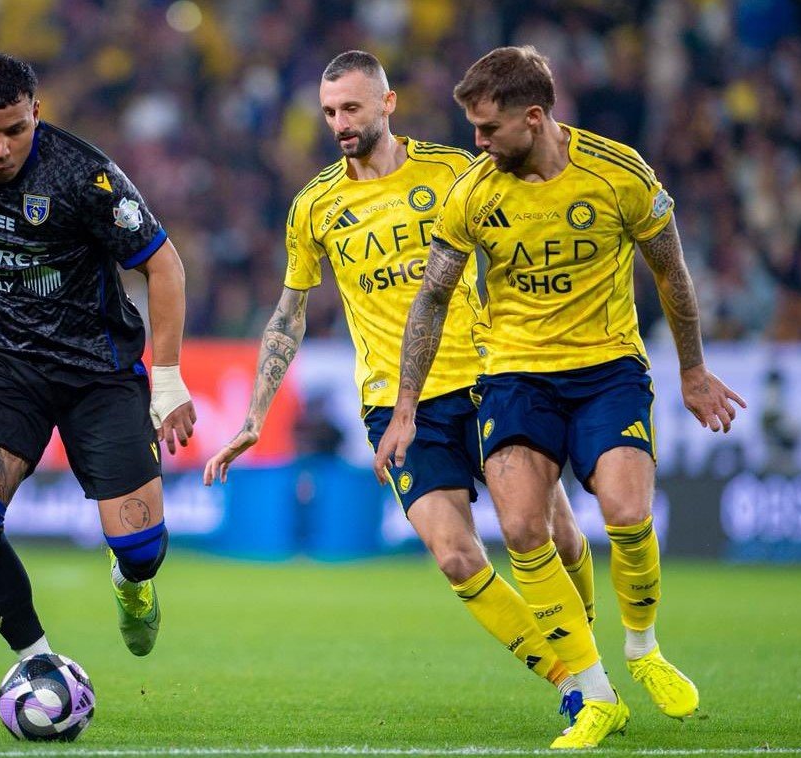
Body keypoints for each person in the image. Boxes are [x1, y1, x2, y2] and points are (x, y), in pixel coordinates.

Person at [203, 51, 595, 724]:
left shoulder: (454, 171)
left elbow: (527, 238)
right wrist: (253, 417)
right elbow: (288, 315)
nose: (339, 123)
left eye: (351, 108)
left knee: (553, 536)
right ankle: (576, 683)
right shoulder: (315, 204)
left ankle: (588, 650)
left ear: (387, 104)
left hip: (489, 380)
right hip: (394, 405)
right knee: (456, 558)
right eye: (329, 112)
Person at [374, 46, 746, 749]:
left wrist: (693, 371)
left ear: (534, 117)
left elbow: (670, 271)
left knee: (626, 512)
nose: (477, 143)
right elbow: (431, 299)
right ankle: (595, 693)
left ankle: (643, 647)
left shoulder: (619, 173)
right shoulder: (473, 192)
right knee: (521, 530)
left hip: (607, 370)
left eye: (488, 128)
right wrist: (405, 407)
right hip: (514, 377)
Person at [0, 54, 196, 663]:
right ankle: (38, 662)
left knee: (141, 552)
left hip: (99, 372)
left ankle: (130, 582)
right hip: (8, 368)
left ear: (37, 114)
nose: (0, 149)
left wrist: (168, 377)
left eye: (15, 130)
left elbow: (164, 265)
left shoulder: (84, 175)